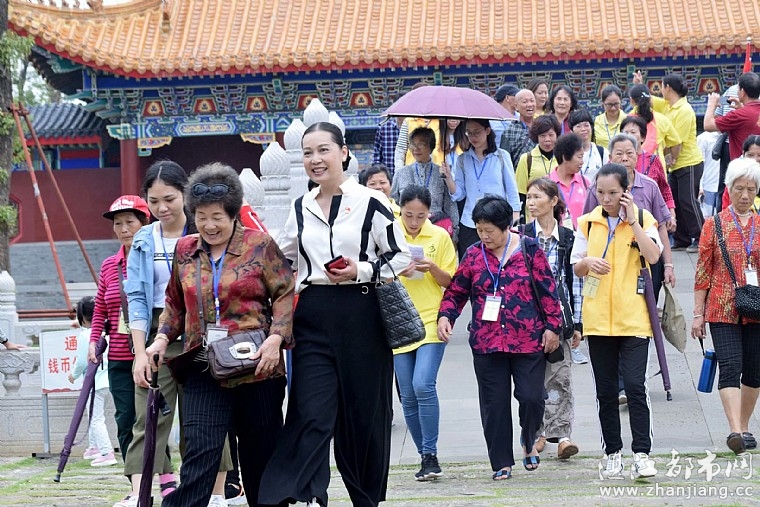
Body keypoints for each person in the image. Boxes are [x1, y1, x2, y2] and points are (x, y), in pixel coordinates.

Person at [259, 122, 411, 507]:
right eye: (307, 153)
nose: (315, 159)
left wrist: (360, 269)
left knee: (364, 416)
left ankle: (366, 498)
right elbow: (279, 259)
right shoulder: (301, 206)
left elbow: (401, 257)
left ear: (343, 153)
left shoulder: (371, 201)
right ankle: (298, 494)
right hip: (313, 315)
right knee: (310, 410)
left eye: (323, 150)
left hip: (363, 314)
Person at [145, 163, 294, 507]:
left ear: (233, 215)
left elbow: (285, 293)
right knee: (200, 451)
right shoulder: (185, 249)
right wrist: (161, 339)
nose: (209, 225)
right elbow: (174, 303)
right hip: (203, 364)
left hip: (256, 365)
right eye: (201, 217)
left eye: (217, 217)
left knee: (261, 456)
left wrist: (276, 339)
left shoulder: (259, 245)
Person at [121, 161, 231, 507]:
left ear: (185, 193)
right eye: (153, 201)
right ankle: (140, 494)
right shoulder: (143, 239)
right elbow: (136, 298)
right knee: (149, 414)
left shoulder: (204, 231)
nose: (162, 208)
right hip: (157, 332)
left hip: (201, 331)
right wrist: (139, 352)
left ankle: (216, 494)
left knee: (206, 416)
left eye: (169, 199)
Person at [437, 195, 561, 480]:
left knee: (532, 397)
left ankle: (529, 439)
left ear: (506, 226)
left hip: (528, 338)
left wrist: (553, 327)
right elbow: (457, 291)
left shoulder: (530, 249)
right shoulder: (473, 255)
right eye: (479, 230)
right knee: (494, 406)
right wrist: (446, 316)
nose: (484, 236)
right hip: (487, 341)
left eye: (489, 230)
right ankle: (501, 462)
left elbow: (548, 290)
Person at [571, 163, 663, 480]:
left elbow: (654, 256)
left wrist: (633, 221)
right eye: (601, 192)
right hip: (598, 319)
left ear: (626, 192)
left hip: (634, 317)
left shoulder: (644, 219)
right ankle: (612, 453)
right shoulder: (587, 223)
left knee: (636, 387)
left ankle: (642, 453)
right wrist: (587, 262)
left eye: (613, 193)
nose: (606, 199)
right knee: (606, 391)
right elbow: (576, 267)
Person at [692, 157, 760, 454]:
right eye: (739, 188)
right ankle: (735, 430)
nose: (745, 195)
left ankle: (744, 426)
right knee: (730, 366)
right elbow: (703, 272)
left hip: (756, 307)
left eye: (751, 189)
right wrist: (698, 314)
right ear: (728, 188)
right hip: (722, 306)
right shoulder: (714, 224)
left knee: (754, 371)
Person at [393, 185, 458, 481]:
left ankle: (430, 453)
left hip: (431, 317)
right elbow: (375, 273)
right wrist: (398, 270)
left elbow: (451, 282)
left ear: (429, 213)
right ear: (400, 210)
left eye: (420, 216)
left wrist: (431, 267)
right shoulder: (390, 233)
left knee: (423, 385)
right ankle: (425, 456)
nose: (414, 222)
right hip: (398, 320)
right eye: (408, 215)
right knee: (407, 394)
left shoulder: (440, 236)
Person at [86, 195, 150, 469]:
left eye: (129, 222)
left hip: (151, 353)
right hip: (120, 357)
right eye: (118, 223)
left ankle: (164, 478)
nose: (123, 229)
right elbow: (100, 306)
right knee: (125, 419)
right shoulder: (109, 265)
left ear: (145, 223)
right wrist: (94, 339)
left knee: (152, 419)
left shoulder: (156, 260)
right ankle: (134, 478)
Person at [524, 178, 582, 458]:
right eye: (528, 197)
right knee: (532, 380)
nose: (531, 202)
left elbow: (574, 283)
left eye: (537, 197)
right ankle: (537, 432)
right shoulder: (522, 235)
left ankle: (563, 436)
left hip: (560, 319)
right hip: (528, 319)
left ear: (553, 201)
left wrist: (578, 323)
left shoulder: (568, 237)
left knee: (561, 376)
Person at [634, 72, 704, 253]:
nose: (660, 91)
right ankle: (681, 238)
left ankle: (701, 237)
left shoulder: (684, 110)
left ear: (668, 88)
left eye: (662, 87)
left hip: (688, 162)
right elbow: (646, 99)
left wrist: (667, 157)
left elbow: (677, 141)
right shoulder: (668, 105)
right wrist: (640, 85)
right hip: (675, 164)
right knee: (676, 201)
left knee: (688, 201)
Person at [441, 119, 520, 258]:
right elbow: (459, 194)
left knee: (498, 260)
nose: (473, 137)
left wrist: (515, 217)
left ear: (487, 131)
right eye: (469, 133)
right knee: (471, 263)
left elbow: (512, 189)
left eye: (477, 132)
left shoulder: (501, 156)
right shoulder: (463, 159)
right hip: (470, 222)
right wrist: (448, 177)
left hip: (497, 219)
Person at [70, 296, 117, 467]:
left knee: (96, 418)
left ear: (82, 316)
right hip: (107, 379)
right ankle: (93, 447)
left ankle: (106, 452)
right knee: (94, 414)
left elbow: (82, 362)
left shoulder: (86, 336)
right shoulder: (107, 332)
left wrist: (73, 375)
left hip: (94, 382)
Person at [391, 127, 459, 239]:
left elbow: (450, 205)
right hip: (408, 232)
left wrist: (455, 233)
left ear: (431, 147)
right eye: (413, 144)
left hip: (437, 232)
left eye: (421, 144)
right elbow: (394, 204)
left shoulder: (441, 173)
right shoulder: (401, 173)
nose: (415, 149)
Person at [620, 115, 677, 231]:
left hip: (650, 220)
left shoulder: (653, 160)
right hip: (622, 221)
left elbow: (664, 188)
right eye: (625, 133)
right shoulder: (615, 161)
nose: (628, 136)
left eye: (633, 132)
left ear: (643, 137)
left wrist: (671, 213)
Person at [704, 72, 760, 161]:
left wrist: (711, 104)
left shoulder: (738, 115)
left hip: (743, 166)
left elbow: (708, 125)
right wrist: (742, 108)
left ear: (742, 92)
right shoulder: (742, 113)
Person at [627, 83, 682, 169]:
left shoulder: (627, 121)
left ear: (631, 101)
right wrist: (673, 159)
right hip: (657, 168)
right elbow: (676, 143)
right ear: (650, 99)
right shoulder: (662, 119)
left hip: (633, 167)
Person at [549, 133, 590, 231]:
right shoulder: (547, 184)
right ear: (565, 157)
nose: (582, 162)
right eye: (579, 157)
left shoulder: (585, 183)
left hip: (582, 236)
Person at [515, 115, 561, 199]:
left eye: (551, 135)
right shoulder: (526, 159)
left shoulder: (563, 158)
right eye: (543, 136)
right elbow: (521, 192)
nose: (547, 139)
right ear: (537, 137)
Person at [720, 135, 760, 210]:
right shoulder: (735, 176)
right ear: (743, 154)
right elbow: (726, 208)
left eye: (759, 155)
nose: (755, 159)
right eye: (750, 155)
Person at [501, 89, 538, 167]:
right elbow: (504, 160)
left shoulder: (542, 127)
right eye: (525, 102)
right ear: (516, 107)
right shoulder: (509, 131)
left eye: (532, 101)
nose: (529, 104)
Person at [569, 109, 608, 181]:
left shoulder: (602, 152)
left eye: (586, 125)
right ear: (571, 131)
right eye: (578, 126)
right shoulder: (568, 153)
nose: (583, 129)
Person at [696, 130, 722, 217]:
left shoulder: (730, 136)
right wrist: (700, 186)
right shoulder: (703, 138)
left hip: (723, 188)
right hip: (707, 188)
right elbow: (698, 163)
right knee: (706, 220)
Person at [594, 85, 627, 151]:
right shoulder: (596, 121)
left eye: (616, 104)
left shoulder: (627, 120)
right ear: (603, 103)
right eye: (609, 104)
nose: (613, 108)